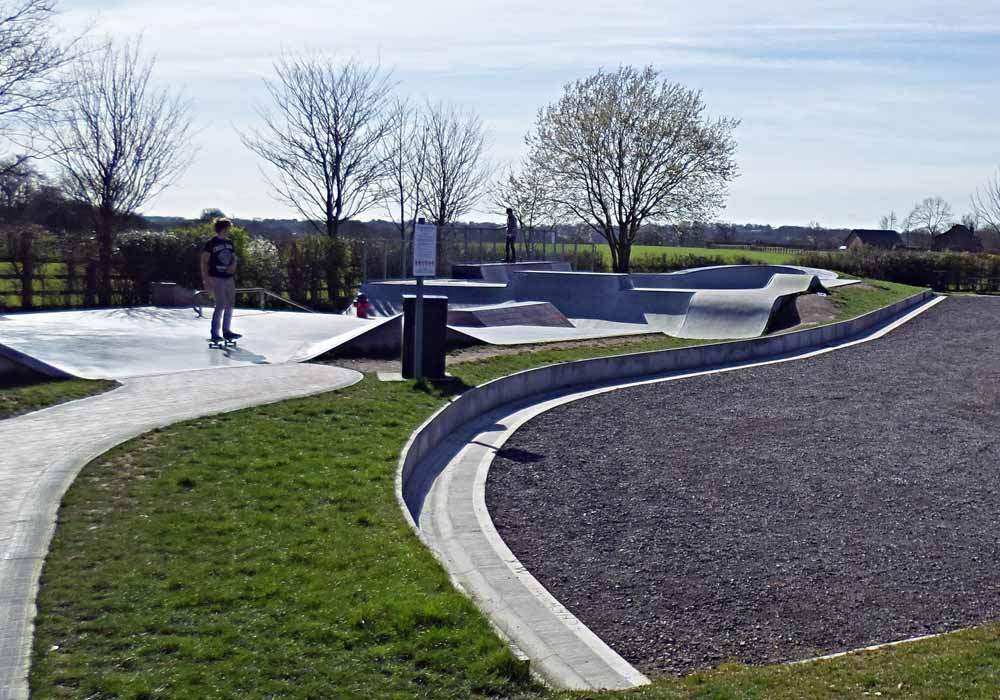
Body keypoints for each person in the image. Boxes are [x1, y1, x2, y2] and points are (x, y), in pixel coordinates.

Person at [200, 218, 241, 342]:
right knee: (221, 304)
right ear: (222, 228)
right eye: (228, 228)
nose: (229, 230)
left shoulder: (229, 242)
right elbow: (204, 261)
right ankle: (214, 333)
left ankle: (227, 331)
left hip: (228, 277)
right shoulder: (211, 242)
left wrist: (233, 265)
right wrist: (206, 280)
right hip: (216, 277)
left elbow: (234, 258)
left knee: (230, 304)